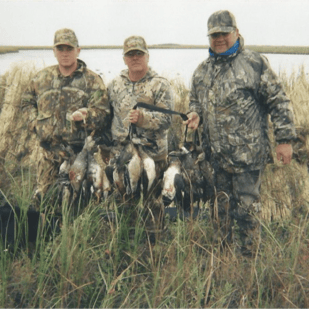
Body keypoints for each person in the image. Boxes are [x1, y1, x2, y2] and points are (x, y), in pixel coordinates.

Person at [185, 10, 296, 257]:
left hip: (248, 158)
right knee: (219, 210)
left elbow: (279, 101)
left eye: (224, 33)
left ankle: (248, 264)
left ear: (236, 32)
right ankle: (223, 259)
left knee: (246, 211)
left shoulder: (254, 63)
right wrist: (194, 114)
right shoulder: (202, 71)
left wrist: (285, 140)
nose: (219, 39)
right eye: (214, 35)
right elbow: (195, 101)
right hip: (216, 158)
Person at [21, 28, 111, 210]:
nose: (65, 53)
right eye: (60, 49)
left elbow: (104, 115)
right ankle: (44, 236)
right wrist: (34, 123)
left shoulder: (92, 81)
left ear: (78, 50)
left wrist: (88, 116)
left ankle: (74, 235)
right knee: (44, 203)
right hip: (48, 155)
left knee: (78, 205)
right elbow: (25, 103)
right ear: (54, 51)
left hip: (79, 157)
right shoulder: (41, 78)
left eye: (69, 49)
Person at [108, 35, 174, 233]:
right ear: (124, 58)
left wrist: (143, 118)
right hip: (123, 158)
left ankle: (155, 254)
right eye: (130, 54)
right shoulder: (114, 85)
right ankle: (124, 250)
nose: (135, 57)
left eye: (139, 53)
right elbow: (106, 116)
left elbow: (167, 118)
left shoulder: (160, 84)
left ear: (147, 56)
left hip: (153, 158)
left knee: (152, 210)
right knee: (123, 209)